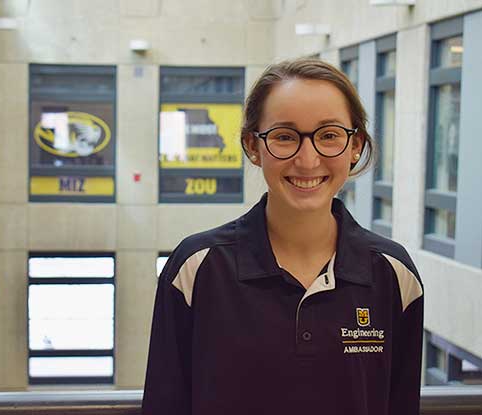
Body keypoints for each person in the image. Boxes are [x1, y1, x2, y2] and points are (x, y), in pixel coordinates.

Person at [142, 59, 424, 415]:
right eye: (285, 137)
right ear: (253, 146)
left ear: (356, 145)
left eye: (329, 135)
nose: (308, 161)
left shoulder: (395, 275)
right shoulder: (196, 269)